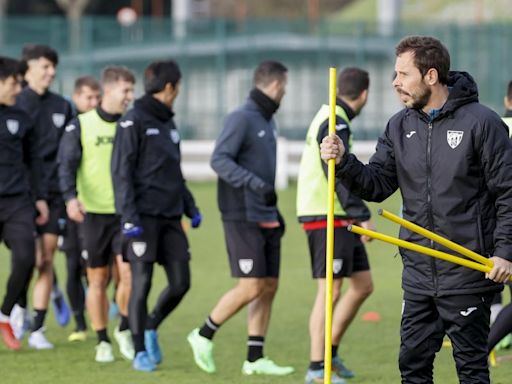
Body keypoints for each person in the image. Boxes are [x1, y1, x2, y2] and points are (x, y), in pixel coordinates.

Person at [320, 35, 512, 384]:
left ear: (431, 76)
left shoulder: (483, 123)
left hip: (467, 271)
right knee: (412, 367)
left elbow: (508, 194)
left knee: (471, 369)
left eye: (403, 74)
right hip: (419, 273)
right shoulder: (399, 125)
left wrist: (505, 252)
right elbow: (376, 184)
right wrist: (344, 162)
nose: (395, 83)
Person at [187, 60, 294, 377]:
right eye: (284, 87)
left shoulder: (266, 120)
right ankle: (203, 334)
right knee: (251, 286)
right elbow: (219, 159)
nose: (285, 93)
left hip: (265, 214)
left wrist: (274, 211)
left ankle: (255, 357)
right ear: (275, 86)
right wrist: (254, 184)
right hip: (241, 214)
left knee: (269, 286)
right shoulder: (241, 117)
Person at [112, 59, 201, 372]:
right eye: (178, 86)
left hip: (171, 217)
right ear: (170, 87)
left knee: (181, 282)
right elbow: (121, 172)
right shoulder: (133, 119)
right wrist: (129, 217)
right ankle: (138, 350)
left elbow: (174, 172)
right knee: (142, 283)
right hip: (142, 218)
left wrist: (190, 206)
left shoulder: (168, 123)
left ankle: (150, 325)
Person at [297, 67, 374, 384]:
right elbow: (336, 170)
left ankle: (330, 351)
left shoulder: (332, 114)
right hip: (326, 212)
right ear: (365, 95)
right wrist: (360, 211)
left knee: (363, 285)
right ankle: (317, 368)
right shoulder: (335, 120)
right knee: (330, 290)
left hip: (338, 213)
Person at [58, 66, 135, 363]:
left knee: (129, 274)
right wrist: (70, 199)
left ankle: (125, 329)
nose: (130, 96)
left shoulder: (130, 125)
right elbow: (65, 166)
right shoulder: (80, 125)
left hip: (125, 213)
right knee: (98, 279)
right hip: (92, 215)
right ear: (109, 90)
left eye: (132, 90)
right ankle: (102, 340)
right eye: (125, 90)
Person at [11, 44, 74, 349]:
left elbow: (71, 153)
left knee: (45, 259)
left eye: (53, 67)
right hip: (20, 196)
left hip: (54, 194)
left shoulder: (62, 106)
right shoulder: (14, 103)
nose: (51, 72)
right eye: (45, 67)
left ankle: (37, 327)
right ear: (29, 68)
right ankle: (18, 312)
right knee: (26, 259)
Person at [0, 56, 49, 351]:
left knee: (26, 259)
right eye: (13, 83)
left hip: (18, 202)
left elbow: (34, 163)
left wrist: (40, 198)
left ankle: (4, 314)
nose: (18, 88)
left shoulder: (22, 118)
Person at [61, 75, 101, 342]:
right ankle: (79, 323)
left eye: (97, 97)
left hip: (100, 209)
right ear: (76, 98)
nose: (94, 102)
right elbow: (63, 166)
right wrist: (69, 198)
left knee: (98, 268)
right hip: (74, 208)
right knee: (74, 265)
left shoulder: (109, 125)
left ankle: (97, 310)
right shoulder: (71, 127)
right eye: (88, 97)